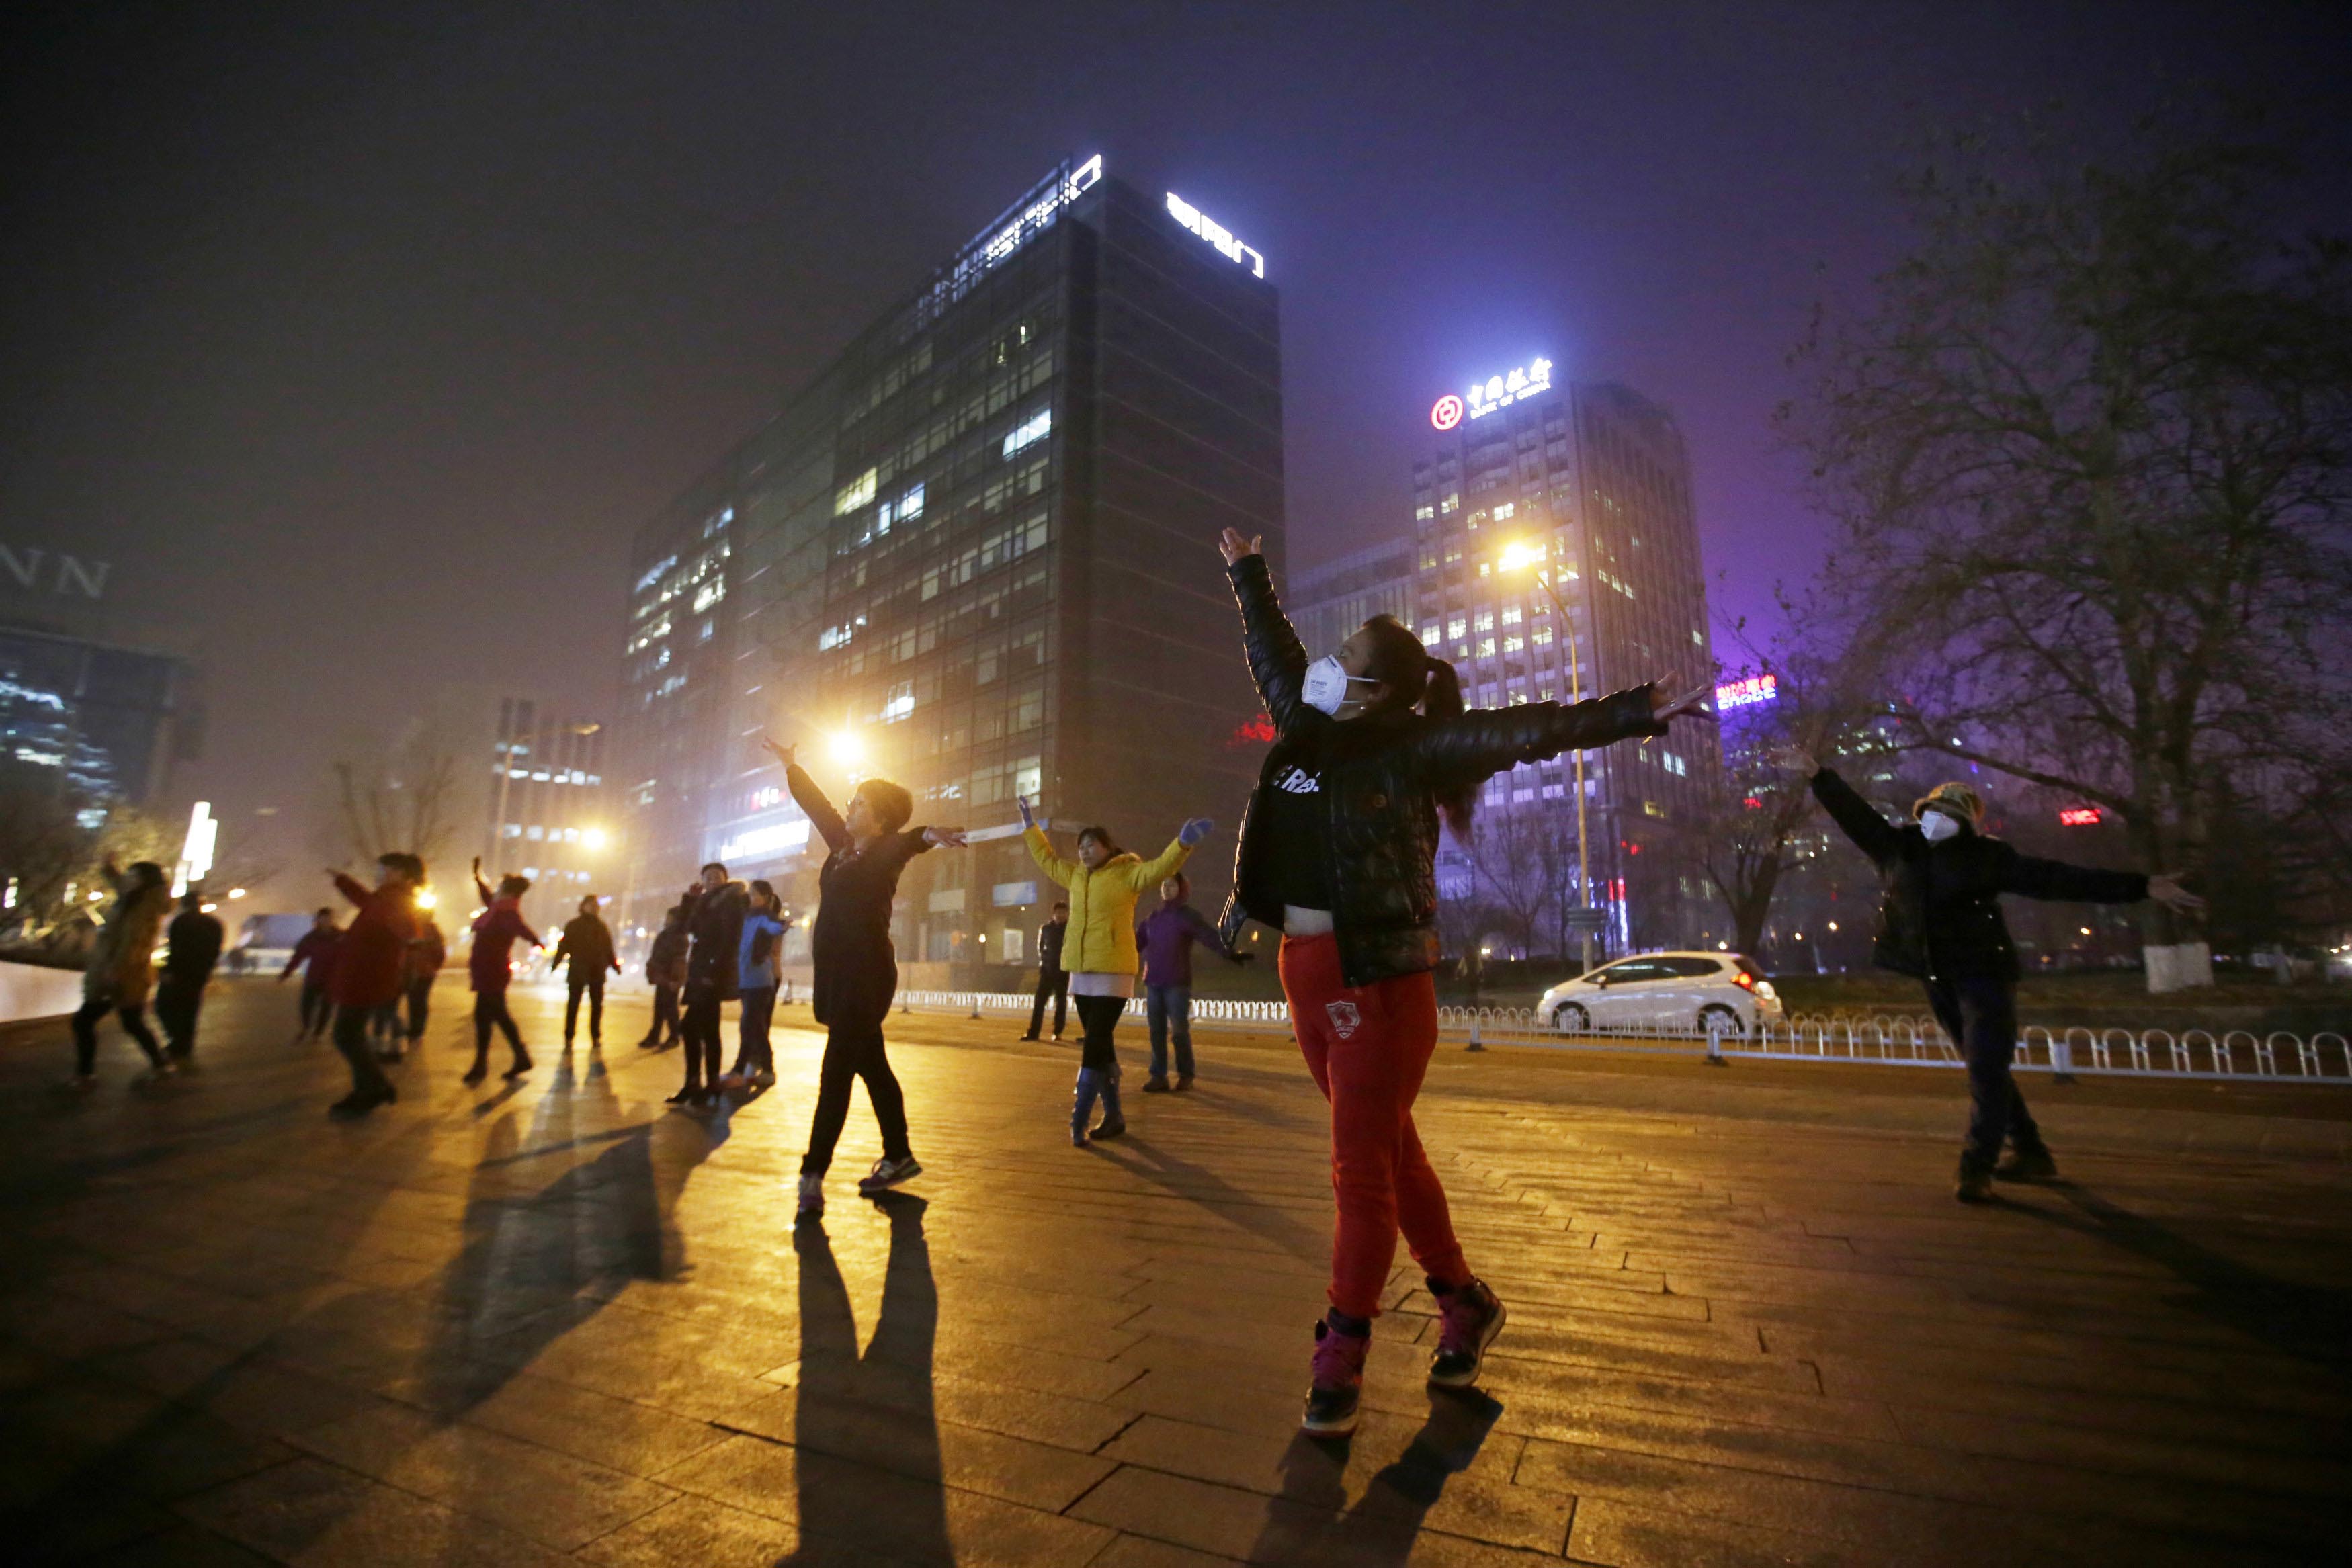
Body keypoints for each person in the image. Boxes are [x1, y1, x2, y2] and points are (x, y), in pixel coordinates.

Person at [1216, 525, 1711, 1434]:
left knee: (1359, 1168)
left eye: (1347, 657)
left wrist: (1633, 709)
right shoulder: (1309, 725)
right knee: (1390, 1152)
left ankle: (1344, 1348)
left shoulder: (1416, 744)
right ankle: (1463, 1299)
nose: (1327, 662)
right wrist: (1248, 571)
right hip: (1307, 970)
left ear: (1380, 687)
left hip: (1380, 981)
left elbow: (1526, 730)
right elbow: (1277, 655)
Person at [1770, 747, 2204, 1202]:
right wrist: (1818, 775)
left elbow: (2060, 879)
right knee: (1987, 1072)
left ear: (1966, 822)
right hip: (1937, 977)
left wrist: (2142, 887)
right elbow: (1854, 815)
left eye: (1949, 813)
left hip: (1984, 977)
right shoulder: (1900, 850)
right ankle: (2031, 1151)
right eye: (1932, 810)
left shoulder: (1986, 858)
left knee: (1985, 1070)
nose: (1937, 818)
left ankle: (1977, 1166)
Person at [761, 737, 966, 1215]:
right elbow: (818, 807)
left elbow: (910, 840)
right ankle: (898, 1156)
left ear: (880, 818)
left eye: (859, 805)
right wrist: (793, 765)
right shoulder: (843, 849)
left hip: (866, 977)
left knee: (835, 1075)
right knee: (873, 1068)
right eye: (852, 803)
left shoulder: (884, 853)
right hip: (837, 976)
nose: (850, 809)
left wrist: (930, 834)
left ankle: (812, 1175)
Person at [1021, 799, 1210, 1146]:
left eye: (1091, 844)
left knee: (1093, 1045)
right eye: (1080, 846)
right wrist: (1031, 828)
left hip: (1112, 971)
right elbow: (1047, 860)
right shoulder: (1076, 876)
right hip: (1081, 971)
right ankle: (1114, 1116)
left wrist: (1182, 844)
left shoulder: (1128, 873)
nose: (1084, 851)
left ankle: (1078, 1120)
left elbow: (1159, 868)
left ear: (1108, 847)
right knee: (1102, 1046)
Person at [325, 853, 424, 1118]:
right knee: (351, 1034)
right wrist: (342, 880)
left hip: (366, 977)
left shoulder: (395, 900)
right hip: (363, 976)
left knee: (346, 1035)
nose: (379, 872)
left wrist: (411, 942)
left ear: (400, 873)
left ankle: (376, 1086)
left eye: (384, 868)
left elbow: (407, 929)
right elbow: (365, 901)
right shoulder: (385, 897)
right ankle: (366, 1091)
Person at [65, 857, 173, 1089]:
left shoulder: (144, 907)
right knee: (132, 1023)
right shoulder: (132, 899)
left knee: (83, 1021)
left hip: (121, 974)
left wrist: (116, 971)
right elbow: (120, 884)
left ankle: (85, 1074)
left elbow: (135, 943)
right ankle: (161, 1064)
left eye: (133, 877)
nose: (128, 879)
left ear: (144, 882)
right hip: (118, 972)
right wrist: (110, 868)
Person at [1135, 872, 1249, 1092]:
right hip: (1153, 983)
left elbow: (1208, 936)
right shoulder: (1153, 918)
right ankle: (1158, 1076)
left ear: (1182, 889)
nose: (1167, 889)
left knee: (1179, 1030)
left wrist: (1230, 953)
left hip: (1177, 984)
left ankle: (1186, 1074)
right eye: (1164, 885)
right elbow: (1135, 943)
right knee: (1156, 1031)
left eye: (1172, 885)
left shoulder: (1187, 916)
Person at [465, 857, 542, 1085]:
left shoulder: (507, 914)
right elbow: (487, 896)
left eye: (500, 888)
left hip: (493, 972)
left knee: (496, 1016)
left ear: (508, 893)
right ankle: (488, 1063)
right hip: (486, 971)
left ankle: (515, 1058)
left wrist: (534, 940)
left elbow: (518, 927)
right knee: (485, 1017)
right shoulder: (498, 909)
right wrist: (478, 878)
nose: (496, 891)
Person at [675, 861, 747, 1106]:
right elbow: (685, 928)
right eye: (707, 876)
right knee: (707, 1030)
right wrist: (691, 900)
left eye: (717, 875)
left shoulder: (731, 902)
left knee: (690, 1027)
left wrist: (714, 973)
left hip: (711, 976)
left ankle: (700, 1083)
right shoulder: (706, 902)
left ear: (726, 879)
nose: (712, 879)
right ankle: (704, 1084)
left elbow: (730, 940)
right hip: (700, 975)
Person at [154, 888, 225, 1065]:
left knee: (164, 1006)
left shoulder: (181, 921)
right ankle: (184, 1045)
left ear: (184, 904)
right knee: (190, 1009)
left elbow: (176, 950)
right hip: (199, 973)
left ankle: (177, 1040)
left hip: (180, 972)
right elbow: (215, 951)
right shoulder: (215, 924)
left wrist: (167, 971)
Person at [729, 879, 788, 1088]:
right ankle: (759, 1064)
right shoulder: (749, 920)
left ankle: (747, 1066)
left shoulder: (766, 921)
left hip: (766, 978)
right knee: (757, 1024)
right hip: (751, 979)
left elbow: (774, 932)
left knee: (753, 1023)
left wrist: (778, 927)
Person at [550, 894, 622, 1049]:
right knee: (573, 1005)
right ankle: (569, 1036)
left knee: (597, 1006)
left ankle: (595, 1036)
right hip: (578, 971)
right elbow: (564, 946)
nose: (595, 907)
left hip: (596, 971)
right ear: (583, 906)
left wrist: (615, 965)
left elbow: (608, 948)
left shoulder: (601, 926)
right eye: (592, 904)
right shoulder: (574, 925)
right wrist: (555, 963)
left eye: (596, 905)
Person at [279, 909, 342, 1040]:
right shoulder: (311, 938)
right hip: (314, 977)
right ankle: (306, 1026)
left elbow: (350, 956)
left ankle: (318, 1032)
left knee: (326, 1008)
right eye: (323, 918)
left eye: (328, 918)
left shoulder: (341, 937)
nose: (326, 921)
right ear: (318, 920)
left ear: (332, 920)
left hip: (332, 980)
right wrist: (286, 973)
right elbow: (298, 957)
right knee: (306, 1005)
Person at [638, 898, 691, 1049]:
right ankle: (655, 1035)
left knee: (670, 1008)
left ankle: (674, 1036)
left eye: (670, 917)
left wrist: (675, 979)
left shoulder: (678, 936)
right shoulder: (667, 933)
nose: (667, 919)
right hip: (662, 975)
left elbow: (679, 960)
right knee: (660, 1007)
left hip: (669, 976)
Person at [1020, 900, 1070, 1041]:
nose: (1061, 915)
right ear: (1054, 914)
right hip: (1048, 971)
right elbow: (1040, 947)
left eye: (1064, 913)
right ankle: (1033, 1032)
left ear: (1068, 914)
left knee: (1061, 1002)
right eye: (1058, 913)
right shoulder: (1046, 929)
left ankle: (1058, 1031)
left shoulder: (1071, 929)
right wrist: (1045, 961)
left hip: (1064, 971)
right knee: (1039, 1002)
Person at [403, 908, 446, 1045]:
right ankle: (415, 1030)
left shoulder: (426, 932)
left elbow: (439, 953)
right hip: (421, 971)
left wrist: (433, 967)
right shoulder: (432, 933)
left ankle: (416, 1030)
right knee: (416, 1000)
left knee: (418, 1001)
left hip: (423, 972)